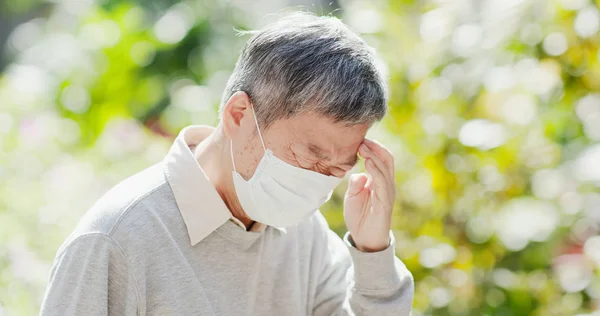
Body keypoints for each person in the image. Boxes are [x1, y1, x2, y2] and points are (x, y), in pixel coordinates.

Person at [40, 11, 414, 316]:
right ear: (238, 115)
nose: (317, 182)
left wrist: (372, 253)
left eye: (337, 169)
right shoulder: (117, 241)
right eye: (308, 157)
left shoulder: (304, 235)